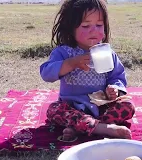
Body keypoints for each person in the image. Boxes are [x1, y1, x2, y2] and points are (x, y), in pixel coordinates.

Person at [40, 0, 135, 141]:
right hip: (72, 107)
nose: (94, 30)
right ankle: (104, 128)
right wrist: (71, 63)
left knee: (128, 106)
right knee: (54, 110)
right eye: (85, 25)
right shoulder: (64, 52)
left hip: (101, 107)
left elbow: (117, 76)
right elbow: (46, 73)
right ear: (71, 29)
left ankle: (81, 127)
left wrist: (114, 89)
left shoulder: (107, 53)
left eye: (99, 25)